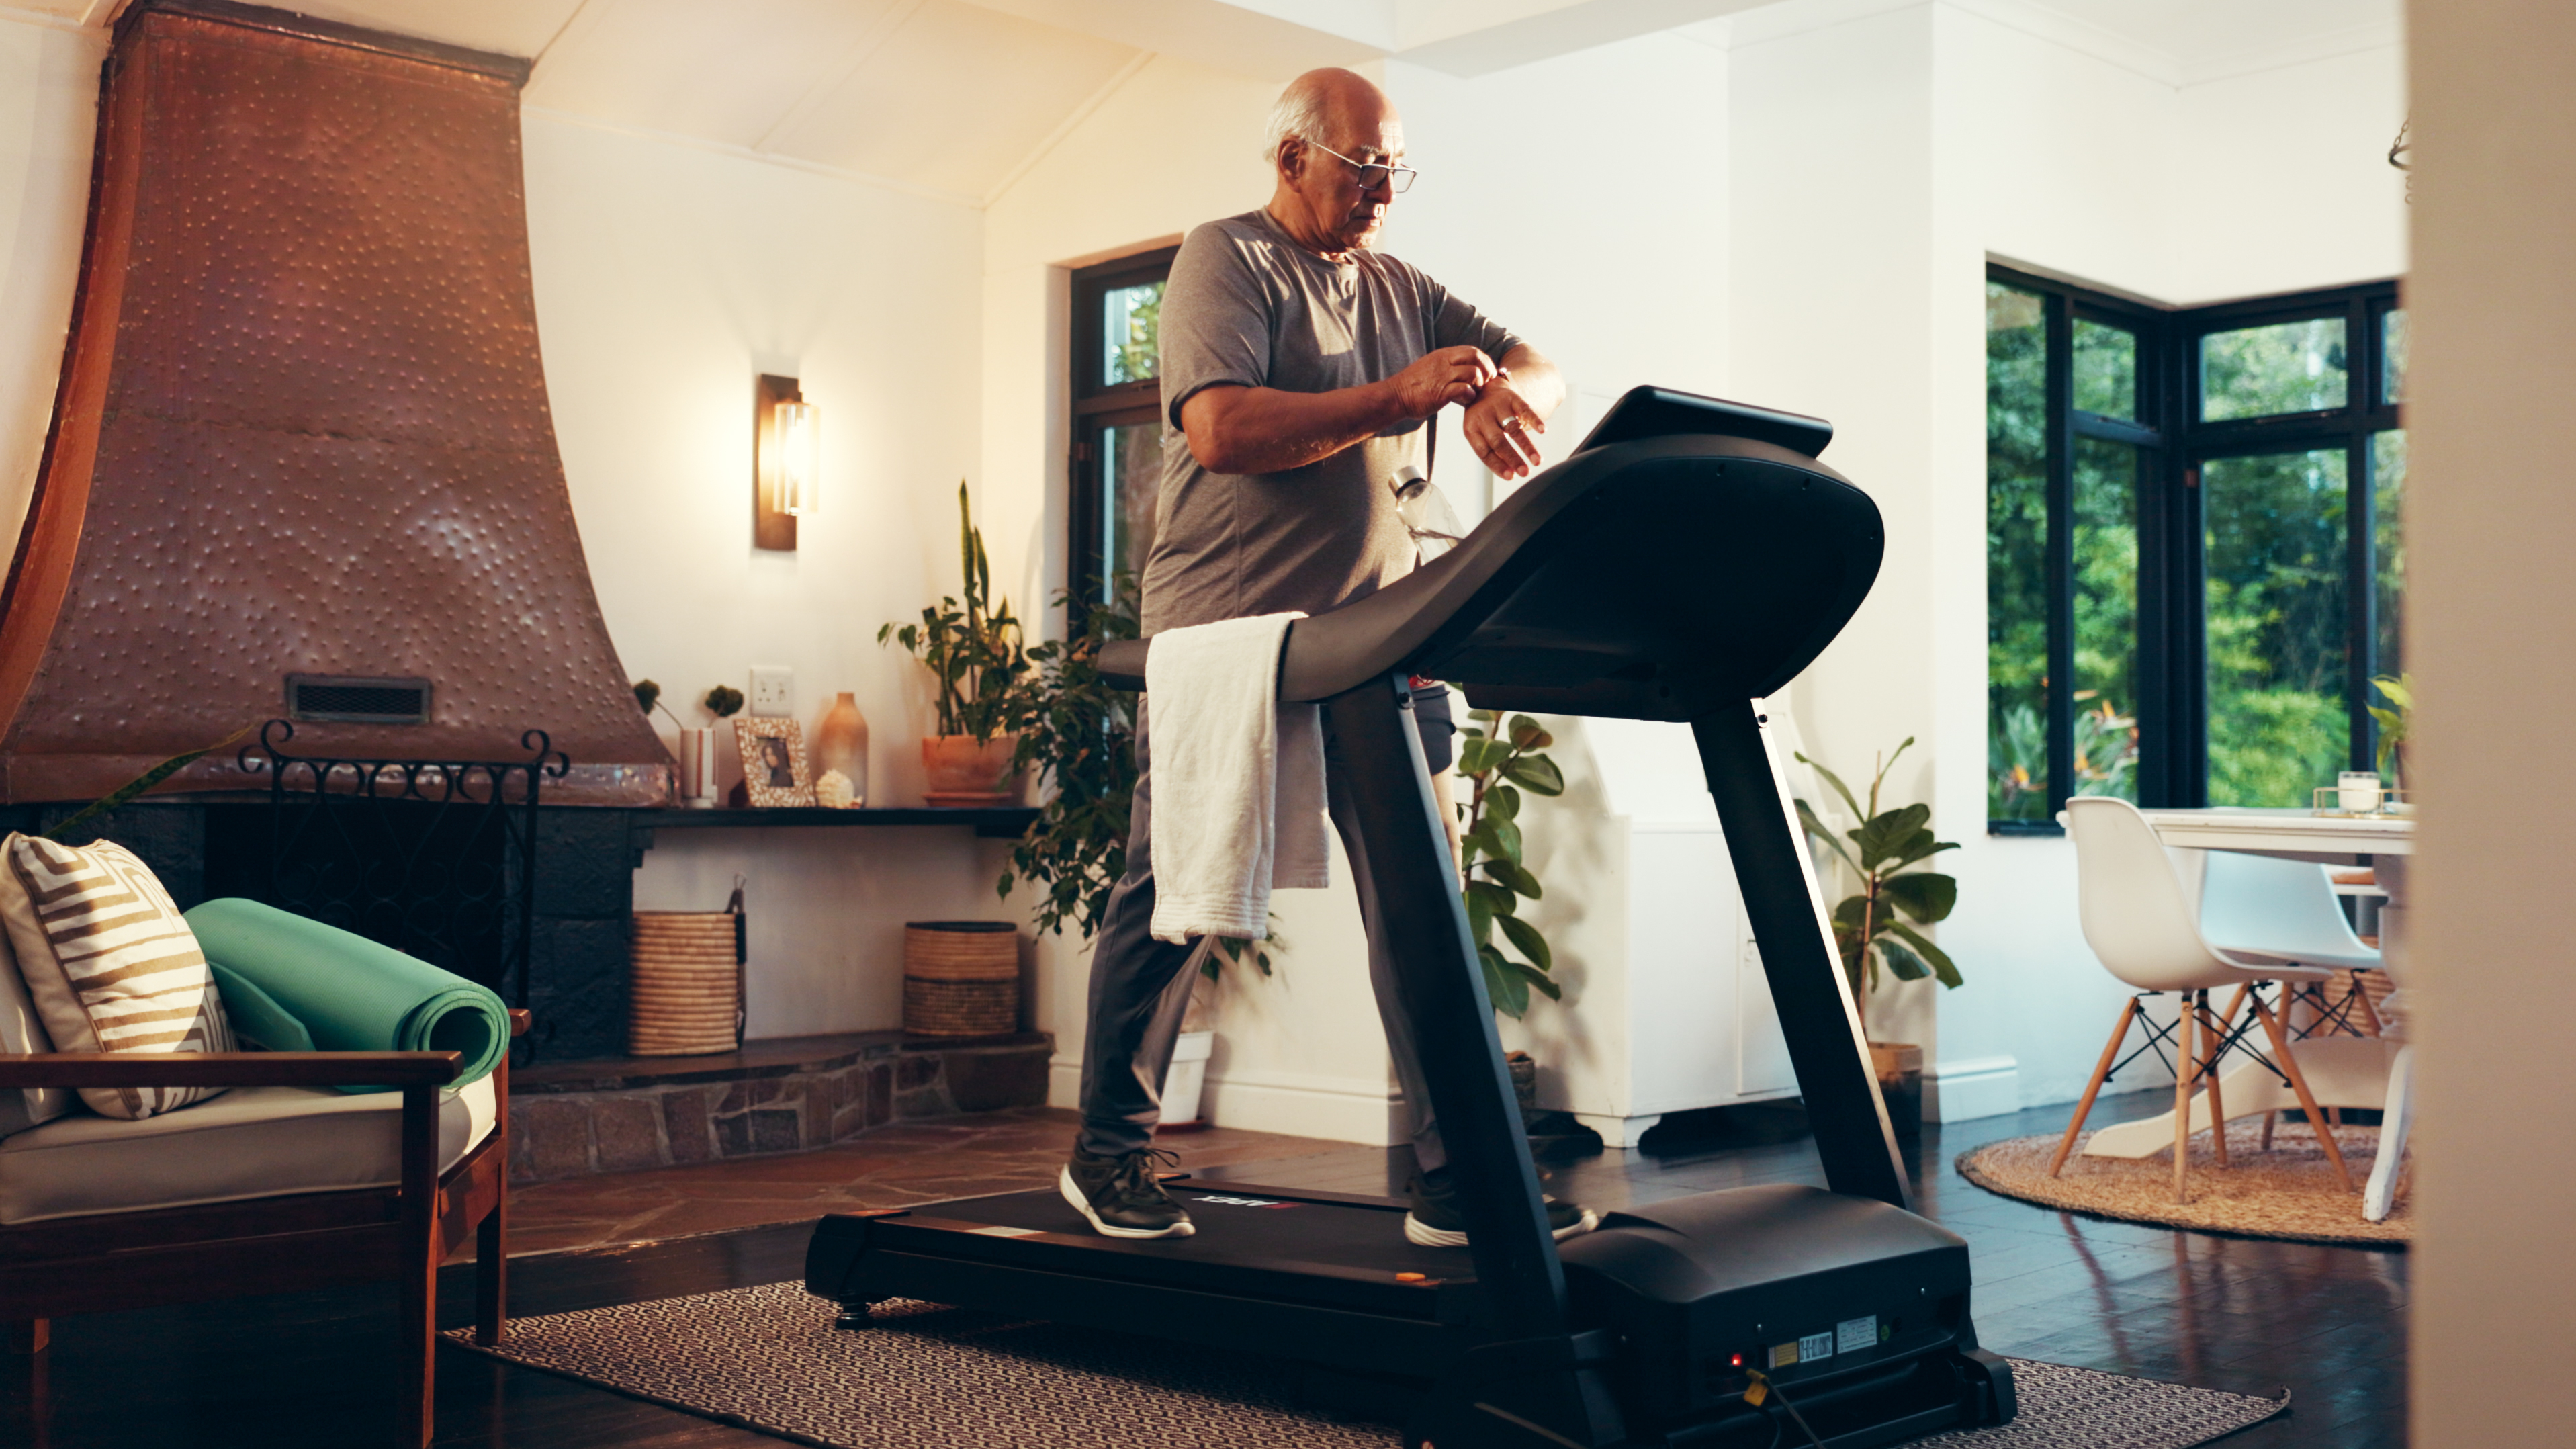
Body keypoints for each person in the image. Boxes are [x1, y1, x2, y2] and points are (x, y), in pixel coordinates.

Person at [1061, 67, 1595, 1249]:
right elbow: (1220, 427)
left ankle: (1453, 1175)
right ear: (1294, 158)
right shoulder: (1227, 258)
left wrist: (1495, 394)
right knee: (1173, 897)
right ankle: (1108, 1152)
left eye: (1397, 170)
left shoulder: (1401, 283)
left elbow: (1538, 360)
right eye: (1364, 168)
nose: (1383, 192)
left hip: (1376, 635)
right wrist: (1402, 393)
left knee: (1421, 906)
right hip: (1230, 630)